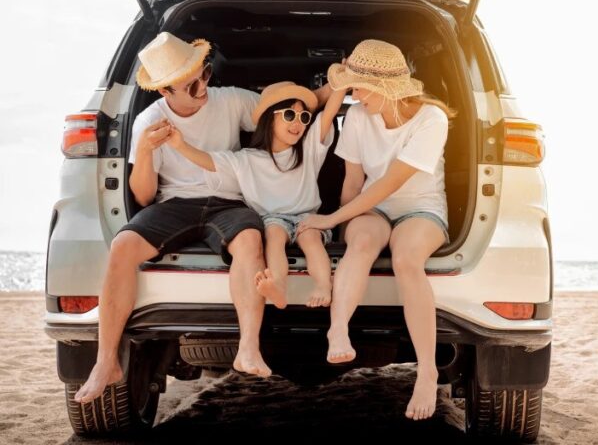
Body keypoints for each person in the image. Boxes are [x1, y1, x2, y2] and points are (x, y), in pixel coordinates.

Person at [74, 33, 330, 403]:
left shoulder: (230, 100)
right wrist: (144, 152)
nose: (204, 86)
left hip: (229, 202)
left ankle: (247, 348)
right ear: (165, 91)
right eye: (192, 84)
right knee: (122, 246)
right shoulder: (149, 120)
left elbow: (283, 108)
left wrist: (334, 91)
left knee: (249, 240)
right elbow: (143, 196)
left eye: (206, 73)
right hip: (174, 204)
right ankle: (106, 362)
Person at [297, 39, 456, 421]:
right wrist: (343, 228)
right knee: (364, 241)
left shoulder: (431, 120)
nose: (353, 94)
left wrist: (331, 219)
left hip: (421, 207)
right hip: (373, 206)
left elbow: (391, 183)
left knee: (406, 260)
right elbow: (354, 182)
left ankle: (427, 371)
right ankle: (337, 330)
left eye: (357, 86)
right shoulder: (356, 117)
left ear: (385, 89)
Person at [168, 81, 345, 309]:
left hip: (308, 218)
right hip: (273, 219)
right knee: (273, 234)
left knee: (311, 238)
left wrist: (343, 81)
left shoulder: (309, 149)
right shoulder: (247, 159)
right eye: (290, 114)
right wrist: (180, 145)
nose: (298, 123)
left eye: (304, 118)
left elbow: (329, 112)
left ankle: (323, 286)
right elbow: (211, 162)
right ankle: (278, 287)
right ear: (270, 118)